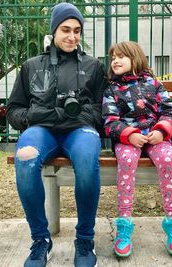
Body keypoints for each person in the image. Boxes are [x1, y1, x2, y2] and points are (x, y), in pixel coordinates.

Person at [7, 3, 108, 267]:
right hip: (42, 131)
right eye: (65, 29)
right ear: (54, 30)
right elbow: (13, 111)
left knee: (87, 158)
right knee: (25, 157)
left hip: (79, 131)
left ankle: (85, 239)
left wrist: (78, 116)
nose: (72, 36)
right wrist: (36, 116)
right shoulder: (32, 66)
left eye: (77, 30)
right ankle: (41, 240)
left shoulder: (93, 66)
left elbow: (102, 110)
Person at [102, 41, 172, 258]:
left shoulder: (153, 84)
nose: (115, 61)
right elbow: (109, 120)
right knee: (127, 162)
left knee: (167, 159)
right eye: (113, 58)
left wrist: (161, 131)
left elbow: (171, 112)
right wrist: (129, 134)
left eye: (121, 56)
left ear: (135, 58)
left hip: (155, 137)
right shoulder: (111, 89)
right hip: (129, 139)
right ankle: (124, 225)